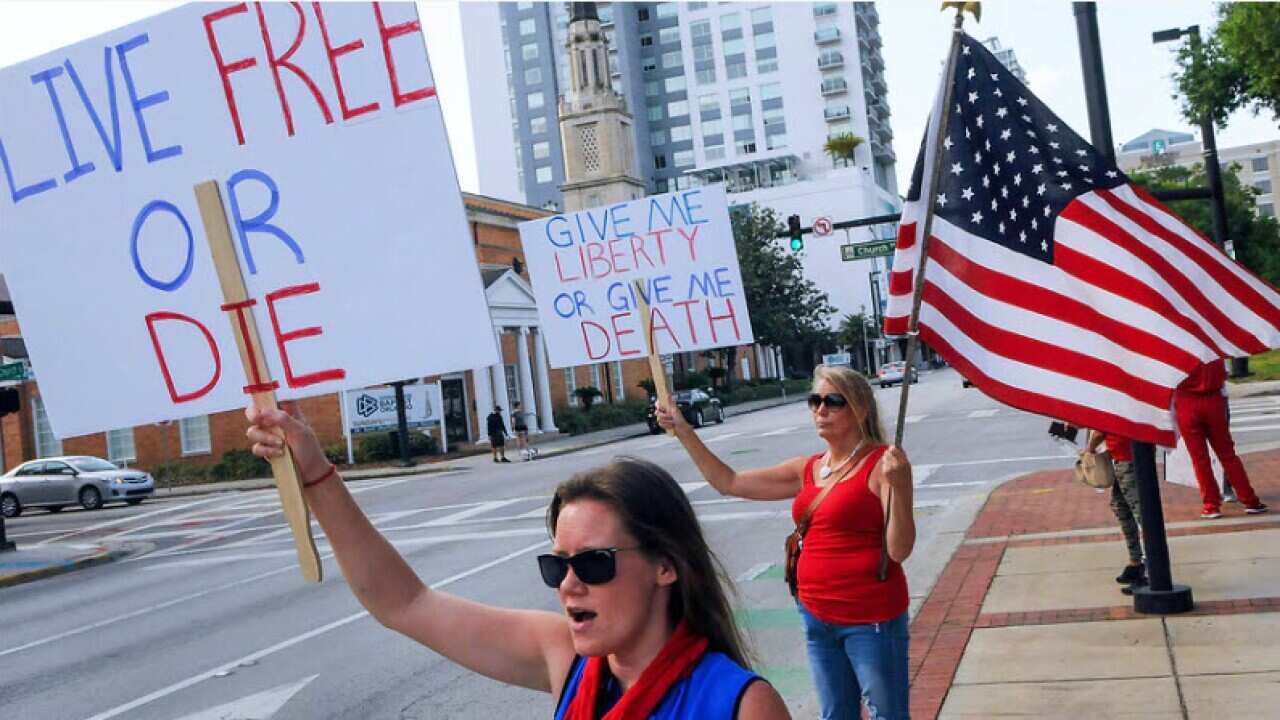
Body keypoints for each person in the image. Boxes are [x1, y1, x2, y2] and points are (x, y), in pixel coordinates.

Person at [245, 406, 790, 719]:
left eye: (595, 563)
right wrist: (316, 474)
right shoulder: (567, 662)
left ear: (664, 566)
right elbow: (404, 603)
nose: (570, 585)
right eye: (558, 566)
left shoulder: (742, 705)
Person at [657, 364, 914, 720]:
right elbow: (729, 482)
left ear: (861, 408)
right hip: (816, 616)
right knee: (835, 714)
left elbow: (899, 549)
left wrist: (899, 487)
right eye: (814, 400)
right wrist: (685, 432)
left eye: (833, 401)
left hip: (870, 619)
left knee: (887, 714)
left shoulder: (883, 465)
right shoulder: (807, 468)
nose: (820, 410)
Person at [1174, 360, 1267, 519]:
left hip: (1186, 401)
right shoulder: (1214, 348)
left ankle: (1211, 505)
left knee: (1200, 459)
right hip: (1213, 400)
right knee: (1227, 455)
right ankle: (1249, 500)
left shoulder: (1179, 349)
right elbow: (1225, 373)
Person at [1085, 430, 1146, 595]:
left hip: (1128, 460)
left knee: (1141, 513)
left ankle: (1152, 569)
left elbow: (1099, 431)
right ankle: (1136, 561)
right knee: (1120, 506)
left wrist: (1089, 450)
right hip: (1123, 458)